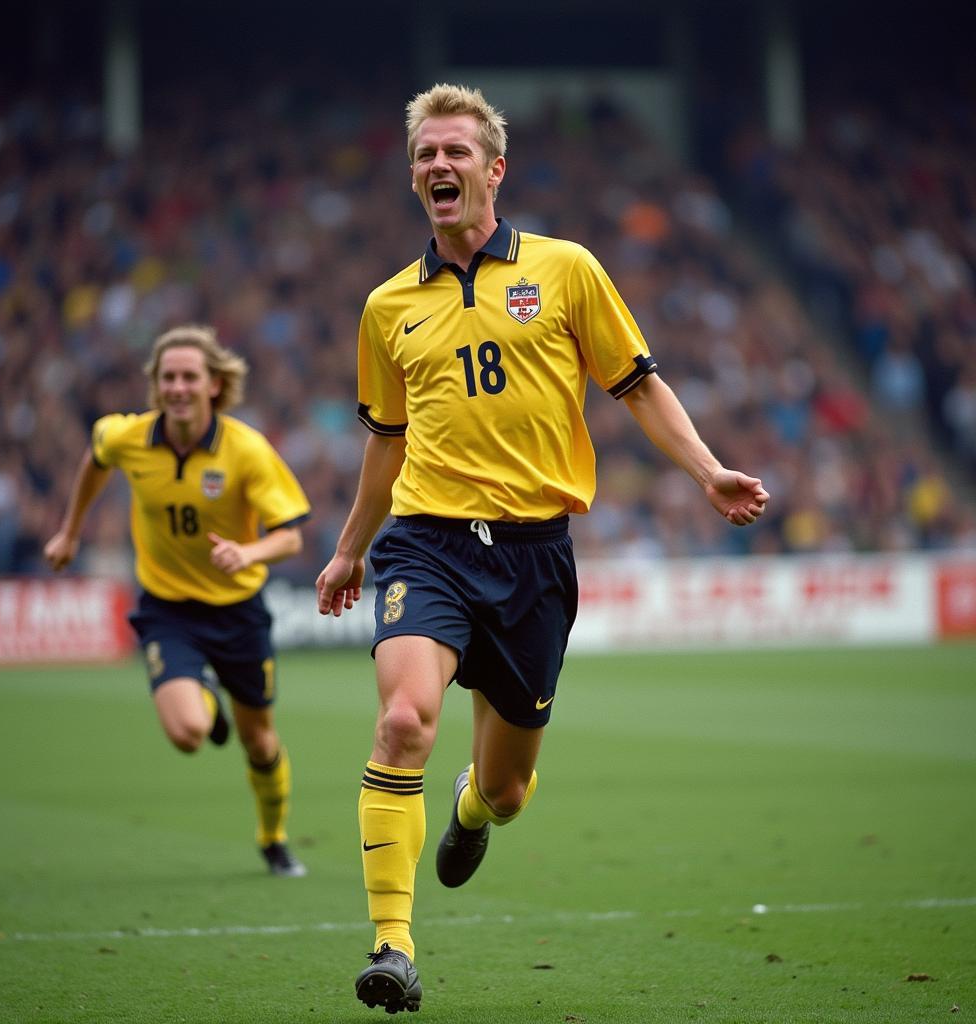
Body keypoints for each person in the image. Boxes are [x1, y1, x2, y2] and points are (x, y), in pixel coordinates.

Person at [315, 83, 769, 1014]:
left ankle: (471, 808)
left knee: (511, 789)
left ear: (495, 168)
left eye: (455, 151)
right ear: (413, 175)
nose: (439, 166)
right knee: (402, 721)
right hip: (426, 545)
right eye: (424, 155)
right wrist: (351, 547)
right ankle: (393, 947)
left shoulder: (565, 271)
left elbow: (637, 386)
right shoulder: (386, 307)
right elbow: (386, 439)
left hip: (533, 560)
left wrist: (709, 471)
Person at [45, 324, 312, 877]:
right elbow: (95, 461)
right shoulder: (128, 437)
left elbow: (291, 535)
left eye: (190, 377)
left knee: (260, 742)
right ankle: (201, 695)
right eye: (168, 377)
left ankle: (273, 838)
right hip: (168, 608)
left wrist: (250, 551)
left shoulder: (246, 449)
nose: (178, 387)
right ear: (155, 385)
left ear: (214, 384)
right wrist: (70, 531)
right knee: (188, 733)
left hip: (238, 611)